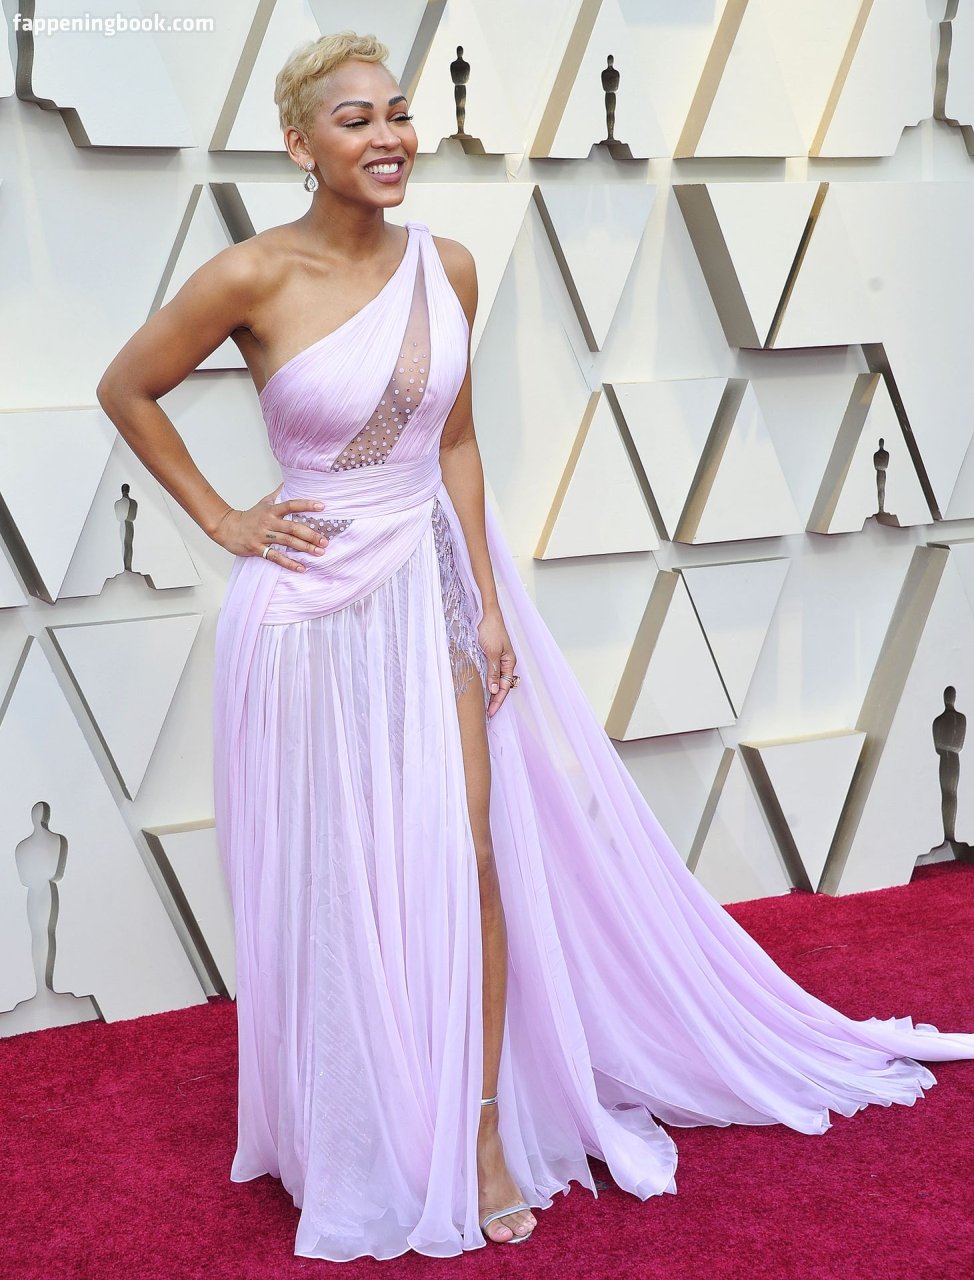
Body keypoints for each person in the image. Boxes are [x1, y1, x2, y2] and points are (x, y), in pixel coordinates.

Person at [95, 29, 974, 1266]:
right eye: (355, 118)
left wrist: (489, 603)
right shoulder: (249, 273)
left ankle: (479, 1127)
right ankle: (354, 1131)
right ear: (298, 143)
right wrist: (224, 519)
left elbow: (453, 441)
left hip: (429, 588)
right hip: (302, 618)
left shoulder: (445, 265)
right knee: (339, 874)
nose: (389, 135)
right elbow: (125, 387)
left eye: (397, 112)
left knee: (470, 855)